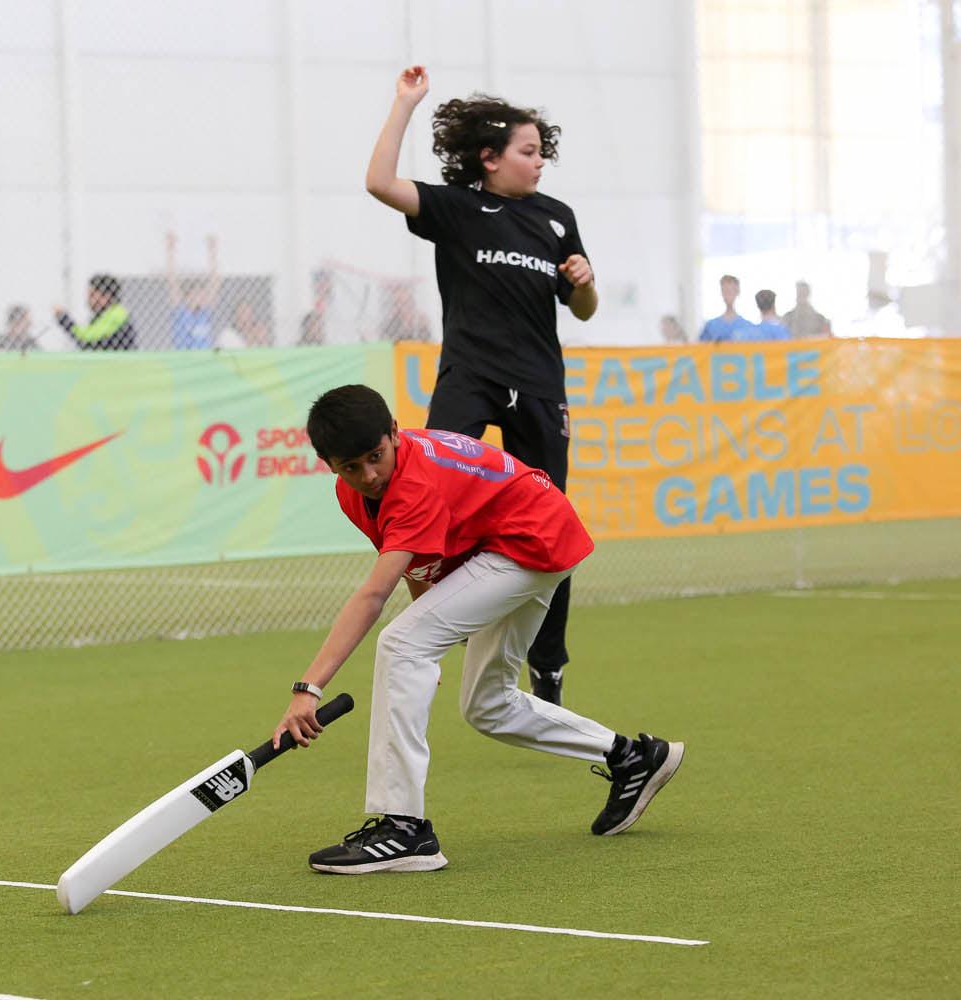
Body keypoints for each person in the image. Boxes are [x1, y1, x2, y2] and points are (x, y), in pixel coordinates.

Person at [273, 385, 684, 873]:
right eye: (351, 467)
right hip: (532, 537)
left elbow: (372, 596)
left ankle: (403, 828)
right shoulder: (357, 492)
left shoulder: (413, 483)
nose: (369, 475)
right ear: (329, 465)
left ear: (395, 434)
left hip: (528, 542)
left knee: (400, 643)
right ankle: (632, 757)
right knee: (485, 704)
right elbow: (416, 562)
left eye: (376, 457)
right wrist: (429, 639)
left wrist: (309, 689)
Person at [365, 64, 591, 706]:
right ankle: (450, 618)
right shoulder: (460, 210)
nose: (539, 161)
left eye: (541, 151)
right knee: (429, 488)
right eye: (528, 151)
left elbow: (584, 310)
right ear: (489, 160)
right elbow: (378, 182)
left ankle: (548, 662)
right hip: (471, 377)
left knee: (552, 521)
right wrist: (405, 103)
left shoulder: (556, 218)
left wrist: (584, 279)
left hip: (541, 386)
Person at [165, 232, 221, 350]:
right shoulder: (180, 310)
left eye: (202, 294)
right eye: (196, 293)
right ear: (187, 296)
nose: (200, 297)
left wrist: (212, 251)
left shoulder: (204, 313)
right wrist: (170, 250)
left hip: (204, 357)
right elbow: (172, 281)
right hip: (185, 357)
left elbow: (215, 282)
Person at [54, 274, 136, 351]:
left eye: (92, 295)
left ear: (106, 296)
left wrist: (64, 319)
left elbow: (87, 339)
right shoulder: (103, 315)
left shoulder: (117, 314)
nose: (88, 300)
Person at [699, 275, 754, 343]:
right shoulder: (711, 326)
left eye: (731, 291)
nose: (728, 295)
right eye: (725, 291)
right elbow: (700, 349)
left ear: (737, 292)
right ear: (721, 293)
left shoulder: (748, 326)